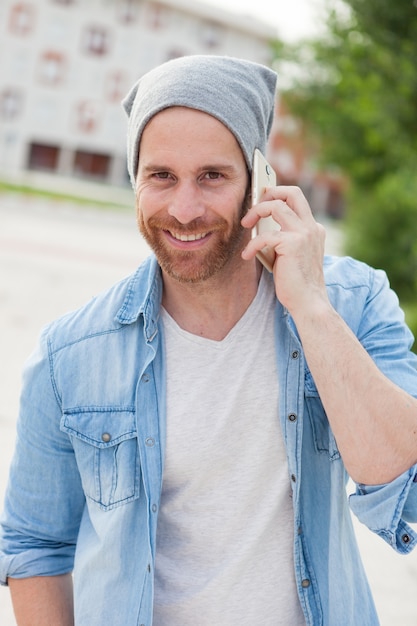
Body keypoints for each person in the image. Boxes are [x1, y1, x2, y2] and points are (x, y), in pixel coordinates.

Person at [1, 54, 417, 626]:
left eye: (213, 176)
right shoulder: (68, 356)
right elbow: (34, 547)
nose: (185, 209)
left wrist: (311, 307)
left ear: (260, 182)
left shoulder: (353, 302)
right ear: (135, 180)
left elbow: (397, 474)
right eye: (161, 176)